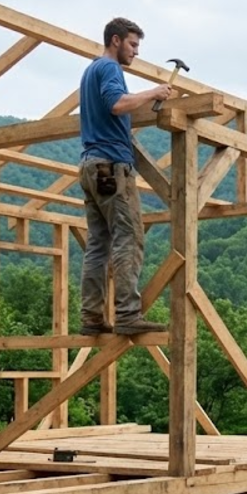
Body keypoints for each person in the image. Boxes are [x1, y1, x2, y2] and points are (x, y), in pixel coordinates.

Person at [77, 17, 175, 336]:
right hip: (109, 165)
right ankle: (127, 314)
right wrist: (154, 91)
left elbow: (112, 112)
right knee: (129, 235)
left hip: (92, 165)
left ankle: (92, 316)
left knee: (99, 243)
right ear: (115, 40)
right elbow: (117, 104)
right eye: (132, 45)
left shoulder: (89, 71)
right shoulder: (108, 69)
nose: (135, 52)